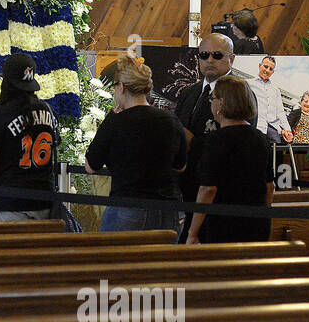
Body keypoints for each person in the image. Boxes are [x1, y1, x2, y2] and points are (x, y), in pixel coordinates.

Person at [85, 54, 187, 232]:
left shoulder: (115, 122)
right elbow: (181, 165)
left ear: (122, 87)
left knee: (117, 259)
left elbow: (91, 166)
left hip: (128, 206)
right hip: (169, 209)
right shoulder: (170, 120)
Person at [186, 76, 275, 244]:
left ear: (221, 103)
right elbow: (269, 187)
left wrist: (192, 232)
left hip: (225, 225)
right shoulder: (260, 138)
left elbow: (208, 190)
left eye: (212, 98)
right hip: (257, 223)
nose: (210, 103)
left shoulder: (216, 140)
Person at [0, 53, 60, 221]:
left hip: (11, 200)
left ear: (6, 82)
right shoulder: (48, 110)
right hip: (44, 198)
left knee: (15, 247)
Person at [174, 34, 235, 238]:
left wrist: (193, 142)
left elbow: (234, 143)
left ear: (231, 59)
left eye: (217, 55)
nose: (209, 60)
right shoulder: (188, 94)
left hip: (219, 195)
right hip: (185, 190)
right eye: (204, 55)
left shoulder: (239, 94)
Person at [247, 55, 293, 143]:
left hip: (273, 130)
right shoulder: (248, 84)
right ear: (260, 65)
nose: (267, 70)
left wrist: (287, 129)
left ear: (273, 72)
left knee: (276, 153)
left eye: (271, 69)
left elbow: (280, 112)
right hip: (254, 127)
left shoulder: (275, 90)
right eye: (265, 66)